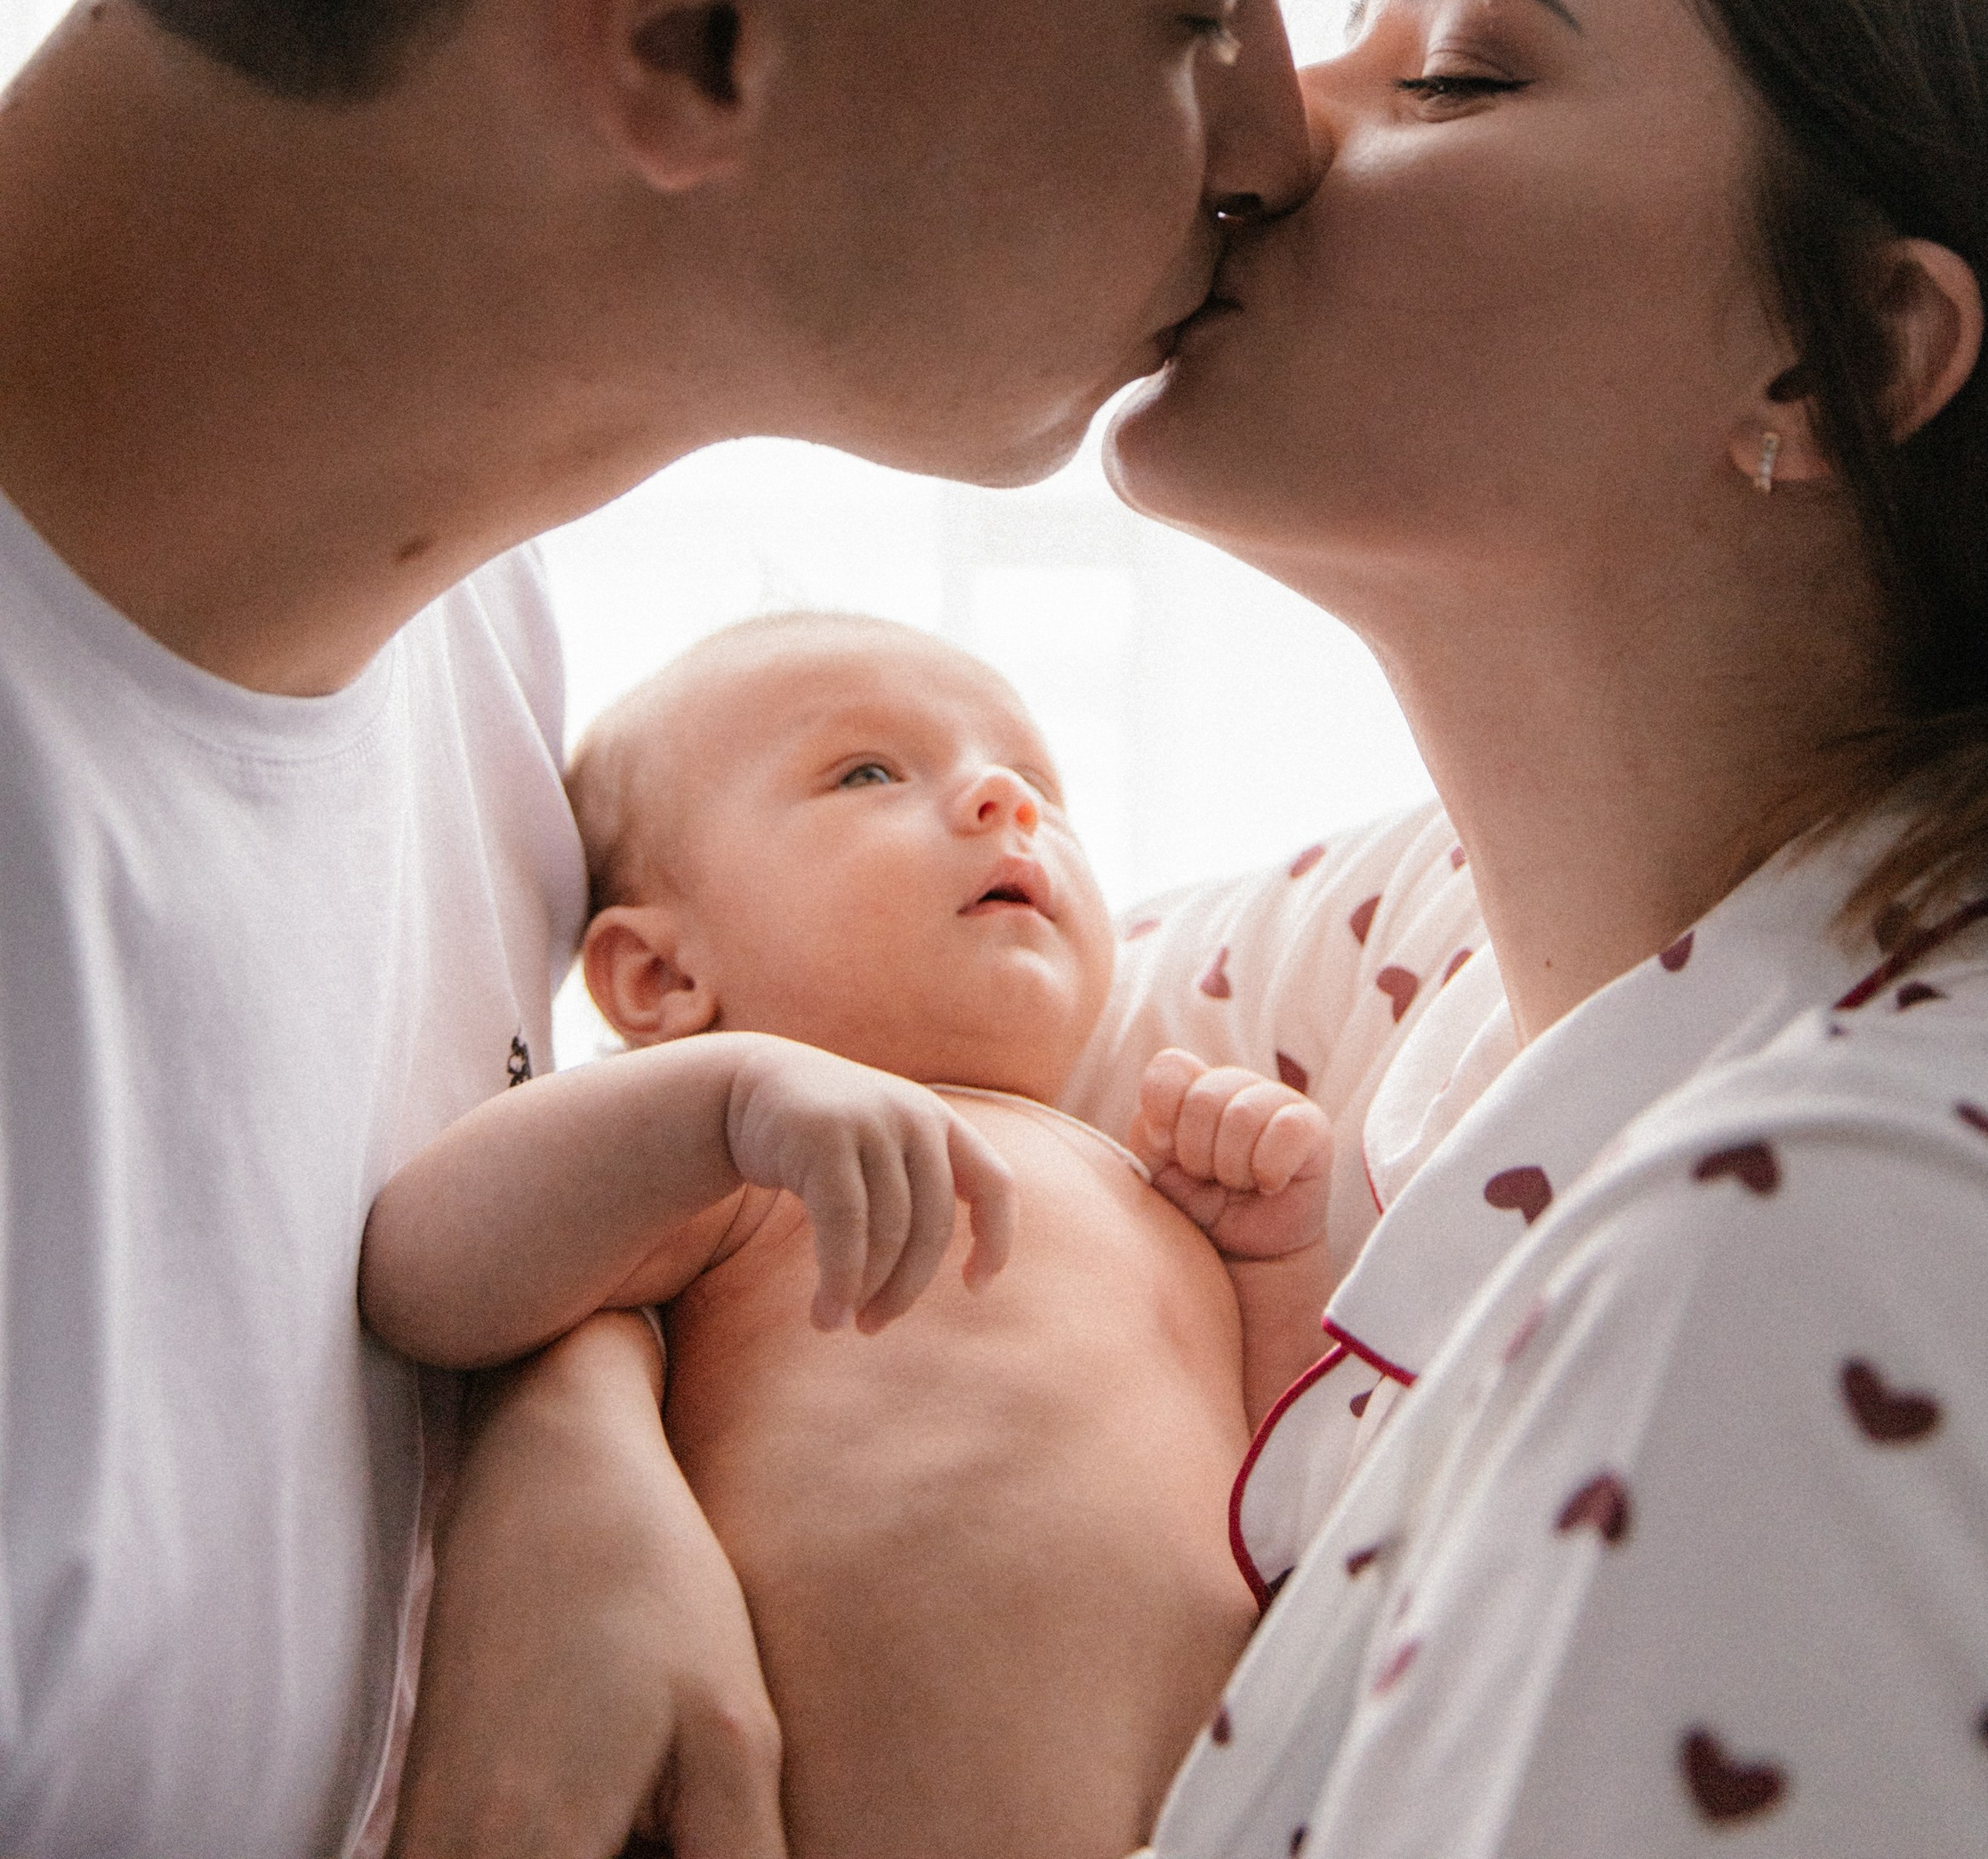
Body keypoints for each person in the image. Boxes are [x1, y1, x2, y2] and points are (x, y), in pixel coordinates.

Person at [0, 0, 1355, 1859]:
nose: (1289, 139)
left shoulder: (456, 620)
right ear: (693, 19)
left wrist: (562, 1449)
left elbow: (516, 1218)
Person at [1085, 0, 1988, 1855]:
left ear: (1836, 363)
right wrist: (577, 1447)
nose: (1255, 129)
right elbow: (823, 1013)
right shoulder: (1439, 963)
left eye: (1452, 75)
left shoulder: (1842, 1241)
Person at [362, 610, 1340, 1859]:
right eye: (869, 771)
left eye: (1037, 781)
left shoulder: (1142, 1182)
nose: (1001, 799)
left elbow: (1299, 1486)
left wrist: (1271, 1261)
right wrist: (729, 1101)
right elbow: (424, 1274)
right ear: (661, 979)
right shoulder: (746, 1153)